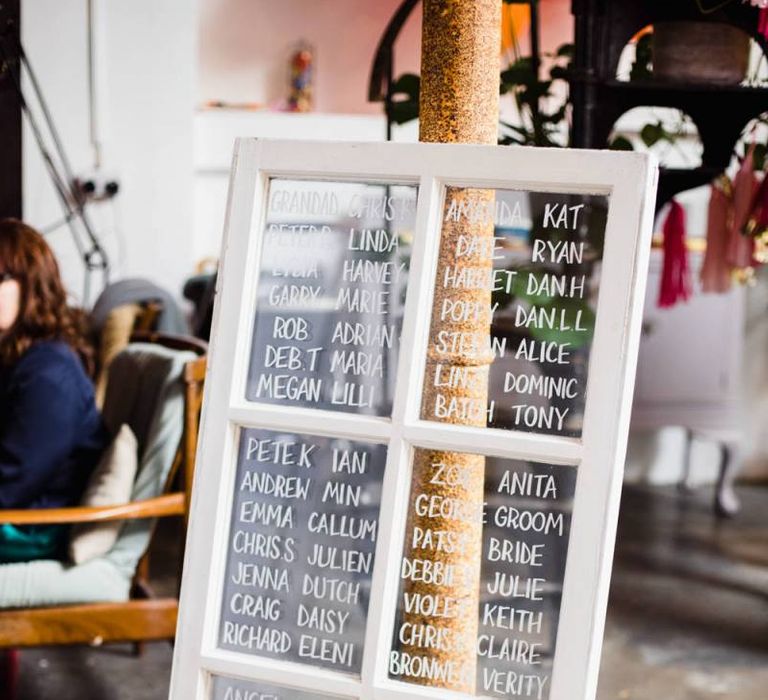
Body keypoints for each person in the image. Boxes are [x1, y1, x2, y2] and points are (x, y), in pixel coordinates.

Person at [0, 219, 109, 563]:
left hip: (33, 528)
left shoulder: (49, 373)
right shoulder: (20, 356)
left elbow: (12, 484)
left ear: (30, 284)